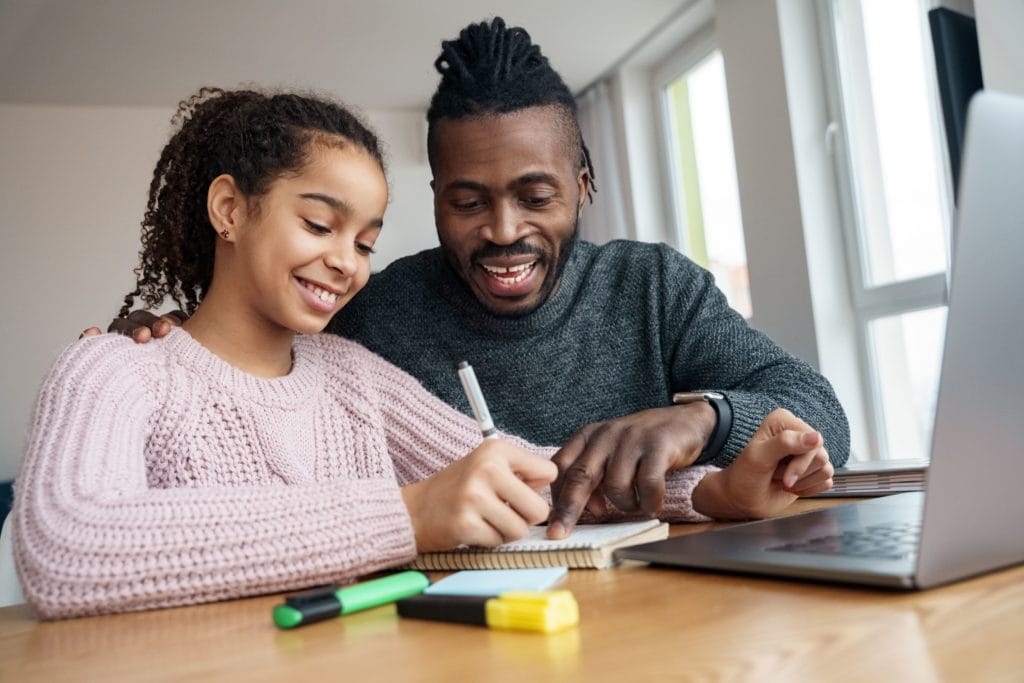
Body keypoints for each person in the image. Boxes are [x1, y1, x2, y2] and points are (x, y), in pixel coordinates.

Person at [20, 86, 834, 620]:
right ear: (230, 209)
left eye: (366, 240)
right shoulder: (114, 370)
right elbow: (65, 546)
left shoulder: (355, 376)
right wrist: (407, 513)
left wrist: (712, 490)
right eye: (318, 223)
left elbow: (535, 478)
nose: (346, 260)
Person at [98, 18, 848, 540]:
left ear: (583, 186)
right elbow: (266, 372)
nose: (502, 230)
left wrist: (704, 423)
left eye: (536, 195)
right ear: (434, 200)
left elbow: (822, 418)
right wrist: (172, 345)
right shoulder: (376, 316)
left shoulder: (654, 287)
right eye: (468, 201)